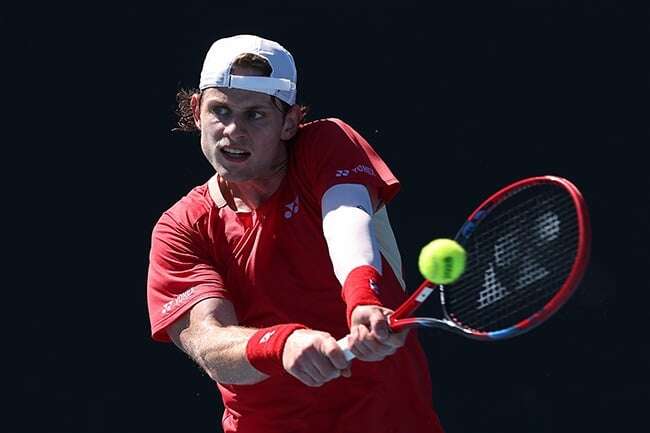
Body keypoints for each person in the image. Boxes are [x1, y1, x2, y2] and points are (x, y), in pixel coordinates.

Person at [146, 34, 444, 433]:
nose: (233, 131)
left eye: (255, 115)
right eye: (221, 111)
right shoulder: (181, 228)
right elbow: (207, 343)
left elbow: (345, 217)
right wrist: (281, 345)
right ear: (197, 112)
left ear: (290, 122)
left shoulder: (326, 144)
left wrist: (362, 298)